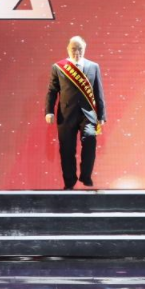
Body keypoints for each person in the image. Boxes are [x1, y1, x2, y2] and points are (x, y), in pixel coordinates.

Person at [46, 36, 106, 189]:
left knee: (90, 140)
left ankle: (86, 176)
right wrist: (49, 111)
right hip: (66, 115)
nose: (77, 52)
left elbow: (98, 92)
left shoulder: (94, 66)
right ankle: (69, 181)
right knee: (67, 149)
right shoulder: (58, 67)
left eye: (80, 49)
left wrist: (101, 115)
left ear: (84, 49)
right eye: (73, 49)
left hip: (88, 114)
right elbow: (52, 91)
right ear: (68, 49)